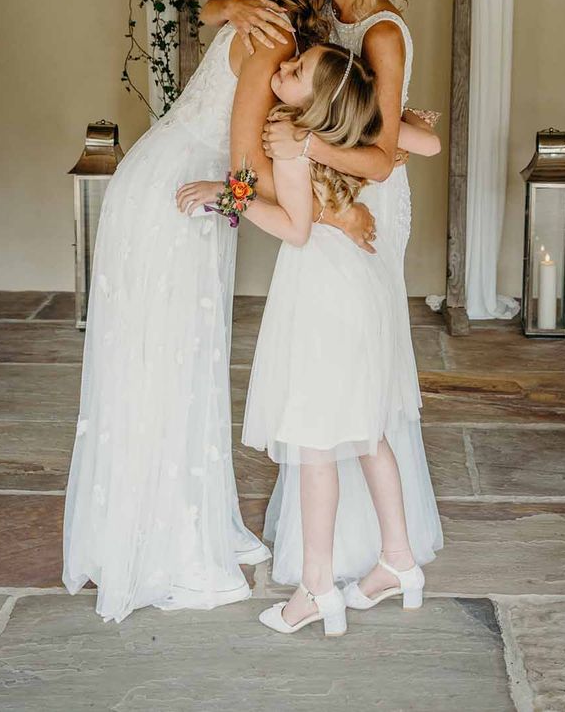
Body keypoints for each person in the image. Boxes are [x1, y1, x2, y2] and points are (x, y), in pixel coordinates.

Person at [62, 0, 376, 623]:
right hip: (181, 197)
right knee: (166, 363)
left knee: (181, 360)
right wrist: (336, 209)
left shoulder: (270, 19)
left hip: (184, 190)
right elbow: (243, 164)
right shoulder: (269, 35)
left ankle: (178, 520)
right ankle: (162, 544)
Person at [205, 0, 444, 622]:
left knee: (338, 382)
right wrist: (227, 9)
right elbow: (381, 118)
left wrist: (308, 153)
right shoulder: (331, 17)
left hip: (361, 204)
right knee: (355, 395)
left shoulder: (380, 35)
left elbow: (377, 156)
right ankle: (377, 554)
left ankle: (331, 571)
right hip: (329, 188)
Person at [176, 40, 440, 636]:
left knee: (316, 445)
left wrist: (226, 200)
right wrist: (386, 118)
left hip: (324, 297)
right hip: (364, 289)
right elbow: (426, 142)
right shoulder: (360, 136)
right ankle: (399, 561)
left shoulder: (292, 137)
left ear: (321, 102)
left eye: (296, 72)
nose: (283, 72)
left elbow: (294, 228)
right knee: (369, 432)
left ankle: (316, 587)